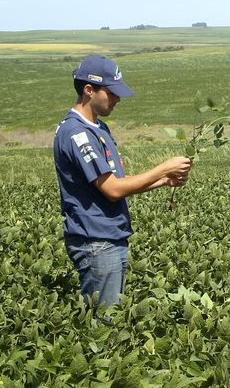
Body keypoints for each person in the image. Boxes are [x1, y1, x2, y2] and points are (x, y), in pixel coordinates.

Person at [53, 55, 193, 306]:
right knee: (104, 327)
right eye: (111, 92)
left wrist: (164, 181)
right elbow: (113, 189)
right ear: (89, 90)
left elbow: (118, 182)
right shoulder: (77, 134)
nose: (118, 99)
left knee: (112, 319)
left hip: (109, 237)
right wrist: (162, 168)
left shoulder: (98, 128)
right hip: (96, 241)